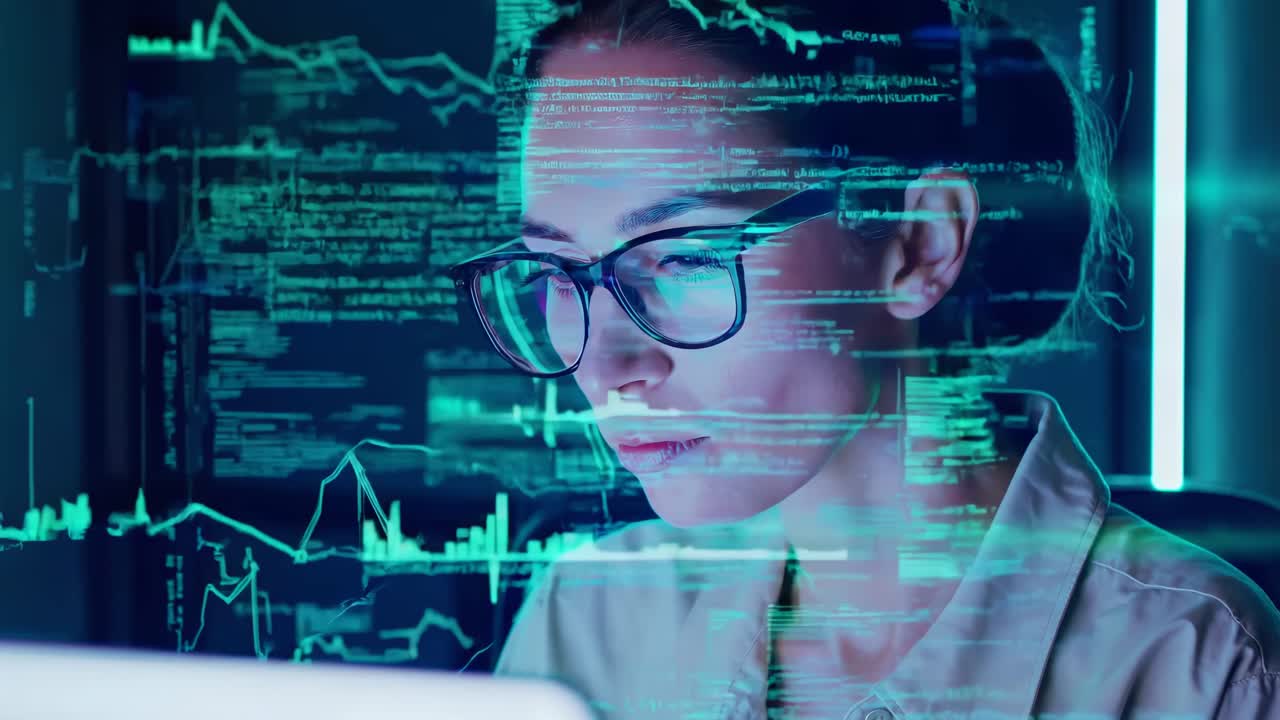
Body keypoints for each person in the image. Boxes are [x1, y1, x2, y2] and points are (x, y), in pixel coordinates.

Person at [450, 0, 1280, 717]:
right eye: (558, 272)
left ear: (919, 243)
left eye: (688, 258)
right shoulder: (595, 618)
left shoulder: (1191, 668)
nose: (605, 362)